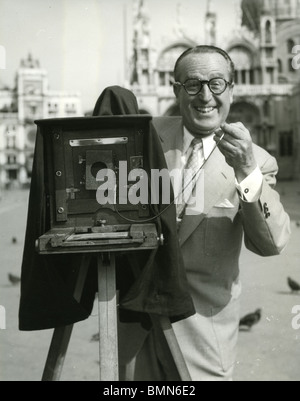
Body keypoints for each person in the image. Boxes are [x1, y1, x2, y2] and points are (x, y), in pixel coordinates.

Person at [118, 45, 291, 381]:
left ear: (232, 89)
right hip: (136, 331)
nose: (205, 96)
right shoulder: (145, 136)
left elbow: (272, 242)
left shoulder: (257, 160)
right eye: (192, 84)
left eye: (216, 84)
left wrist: (246, 170)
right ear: (175, 90)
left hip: (203, 334)